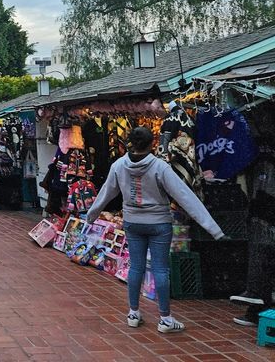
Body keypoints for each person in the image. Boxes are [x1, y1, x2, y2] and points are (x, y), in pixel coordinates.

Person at [86, 126, 225, 334]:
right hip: (159, 223)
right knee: (160, 269)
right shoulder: (160, 167)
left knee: (136, 268)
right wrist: (215, 230)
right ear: (153, 143)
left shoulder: (118, 165)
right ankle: (165, 319)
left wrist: (90, 216)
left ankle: (133, 313)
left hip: (132, 221)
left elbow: (106, 193)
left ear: (130, 143)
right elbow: (184, 196)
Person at [229, 158, 275, 326]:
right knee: (264, 249)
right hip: (264, 195)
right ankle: (258, 310)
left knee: (264, 248)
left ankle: (258, 306)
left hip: (265, 196)